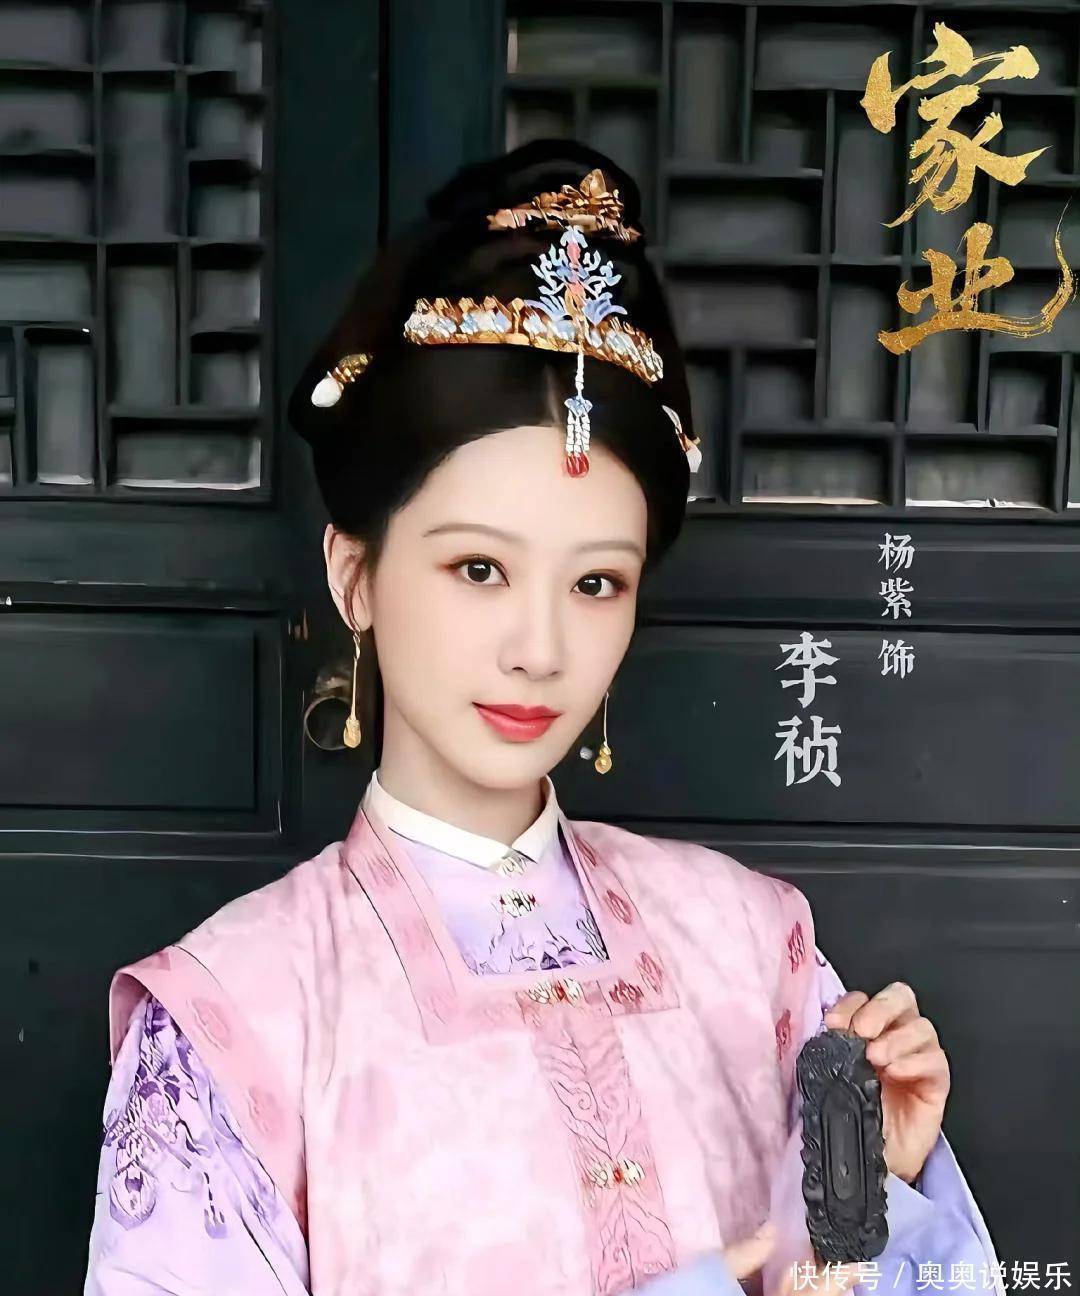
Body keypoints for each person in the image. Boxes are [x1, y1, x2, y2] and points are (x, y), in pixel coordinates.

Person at [83, 139, 1004, 1296]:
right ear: (354, 575)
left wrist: (869, 1190)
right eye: (478, 569)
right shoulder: (239, 1013)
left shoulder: (753, 946)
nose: (541, 647)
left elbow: (851, 1267)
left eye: (596, 583)